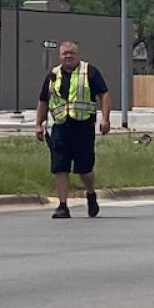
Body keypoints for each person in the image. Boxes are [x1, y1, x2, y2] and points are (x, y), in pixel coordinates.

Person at [34, 40, 110, 219]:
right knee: (60, 167)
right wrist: (38, 123)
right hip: (60, 126)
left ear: (78, 54)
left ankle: (91, 194)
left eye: (71, 53)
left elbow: (104, 94)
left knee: (84, 169)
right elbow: (43, 100)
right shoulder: (53, 75)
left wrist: (105, 119)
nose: (68, 56)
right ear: (59, 56)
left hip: (83, 127)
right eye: (64, 53)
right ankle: (62, 206)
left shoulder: (89, 71)